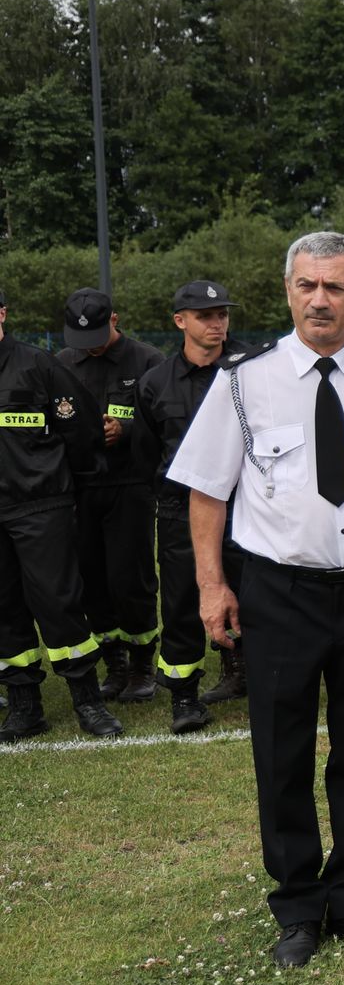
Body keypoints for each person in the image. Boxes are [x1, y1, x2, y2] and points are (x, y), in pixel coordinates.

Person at [169, 232, 344, 968]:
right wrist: (210, 583)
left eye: (335, 286)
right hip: (278, 589)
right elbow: (206, 490)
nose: (320, 298)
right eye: (306, 285)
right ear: (288, 291)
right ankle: (296, 905)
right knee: (281, 749)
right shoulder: (244, 381)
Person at [130, 280, 257, 731]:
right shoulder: (154, 383)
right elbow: (146, 454)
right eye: (206, 316)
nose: (218, 323)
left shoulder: (252, 368)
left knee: (257, 596)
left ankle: (255, 678)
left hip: (247, 509)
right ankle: (184, 696)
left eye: (222, 313)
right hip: (182, 513)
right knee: (183, 602)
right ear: (180, 321)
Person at [0, 282, 119, 743]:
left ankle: (88, 700)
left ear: (4, 313)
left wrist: (65, 488)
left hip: (40, 505)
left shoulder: (37, 365)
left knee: (59, 602)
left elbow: (83, 431)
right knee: (3, 607)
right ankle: (25, 705)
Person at [57, 287, 166, 702]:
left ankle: (142, 665)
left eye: (99, 336)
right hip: (82, 488)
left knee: (131, 576)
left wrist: (128, 430)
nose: (91, 348)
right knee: (93, 579)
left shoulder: (148, 361)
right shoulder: (63, 362)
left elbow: (165, 421)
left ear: (115, 320)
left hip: (130, 487)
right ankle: (113, 662)